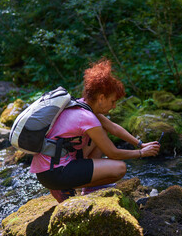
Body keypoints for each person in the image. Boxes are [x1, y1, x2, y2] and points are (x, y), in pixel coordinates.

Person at [29, 58, 160, 203]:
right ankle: (67, 188)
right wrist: (141, 153)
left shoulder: (80, 105)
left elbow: (114, 128)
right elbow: (113, 153)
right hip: (55, 174)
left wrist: (140, 144)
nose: (114, 106)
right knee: (120, 168)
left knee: (100, 138)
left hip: (48, 170)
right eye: (113, 101)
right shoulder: (87, 118)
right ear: (101, 98)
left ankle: (83, 187)